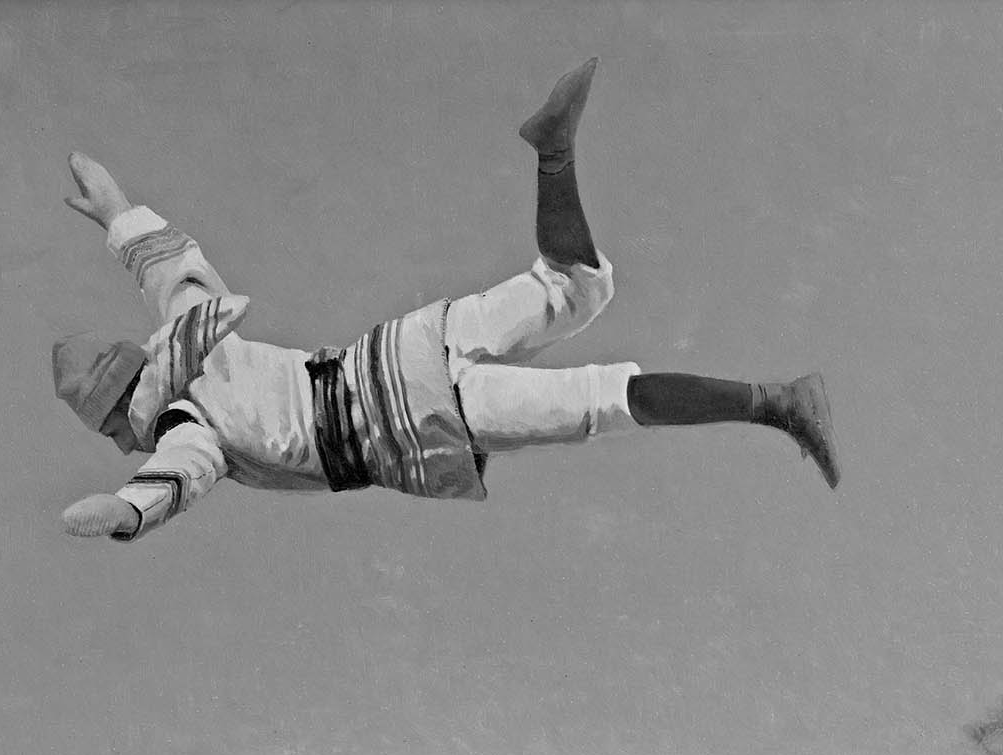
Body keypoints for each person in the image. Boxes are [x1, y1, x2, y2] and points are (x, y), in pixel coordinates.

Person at [51, 58, 839, 544]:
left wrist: (122, 514)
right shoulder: (192, 334)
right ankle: (553, 156)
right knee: (577, 287)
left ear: (130, 403)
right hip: (402, 347)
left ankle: (776, 402)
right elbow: (169, 265)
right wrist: (117, 209)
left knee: (600, 399)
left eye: (116, 428)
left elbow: (172, 480)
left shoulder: (185, 425)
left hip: (416, 411)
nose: (125, 444)